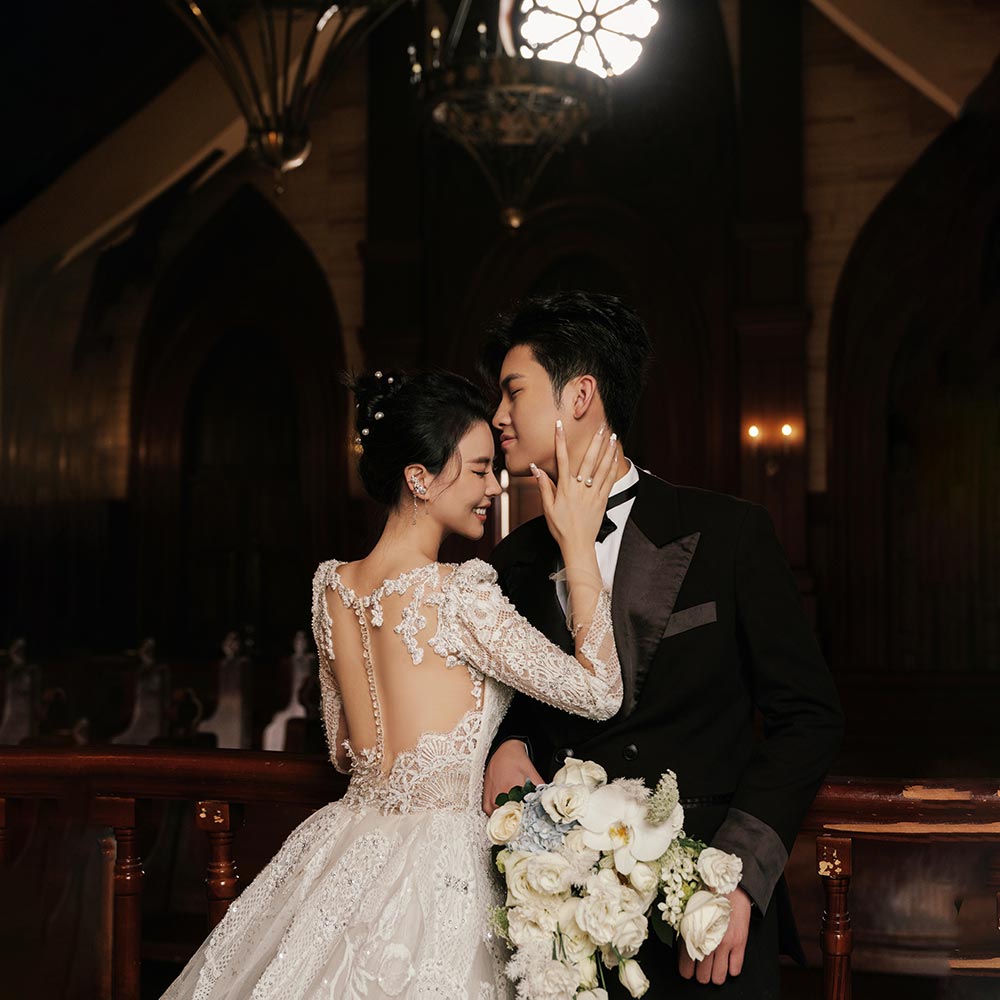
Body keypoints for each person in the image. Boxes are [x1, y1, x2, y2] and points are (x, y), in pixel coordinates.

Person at [161, 369, 624, 1000]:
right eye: (479, 469)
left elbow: (343, 749)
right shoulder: (461, 594)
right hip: (442, 865)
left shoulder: (333, 587)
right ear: (419, 478)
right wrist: (578, 549)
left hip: (349, 846)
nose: (494, 486)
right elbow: (599, 692)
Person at [481, 292, 844, 999]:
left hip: (702, 920)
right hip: (557, 926)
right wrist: (507, 743)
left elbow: (809, 716)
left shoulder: (729, 534)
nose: (498, 415)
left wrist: (737, 876)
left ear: (580, 394)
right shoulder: (512, 562)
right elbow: (511, 704)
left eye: (513, 391)